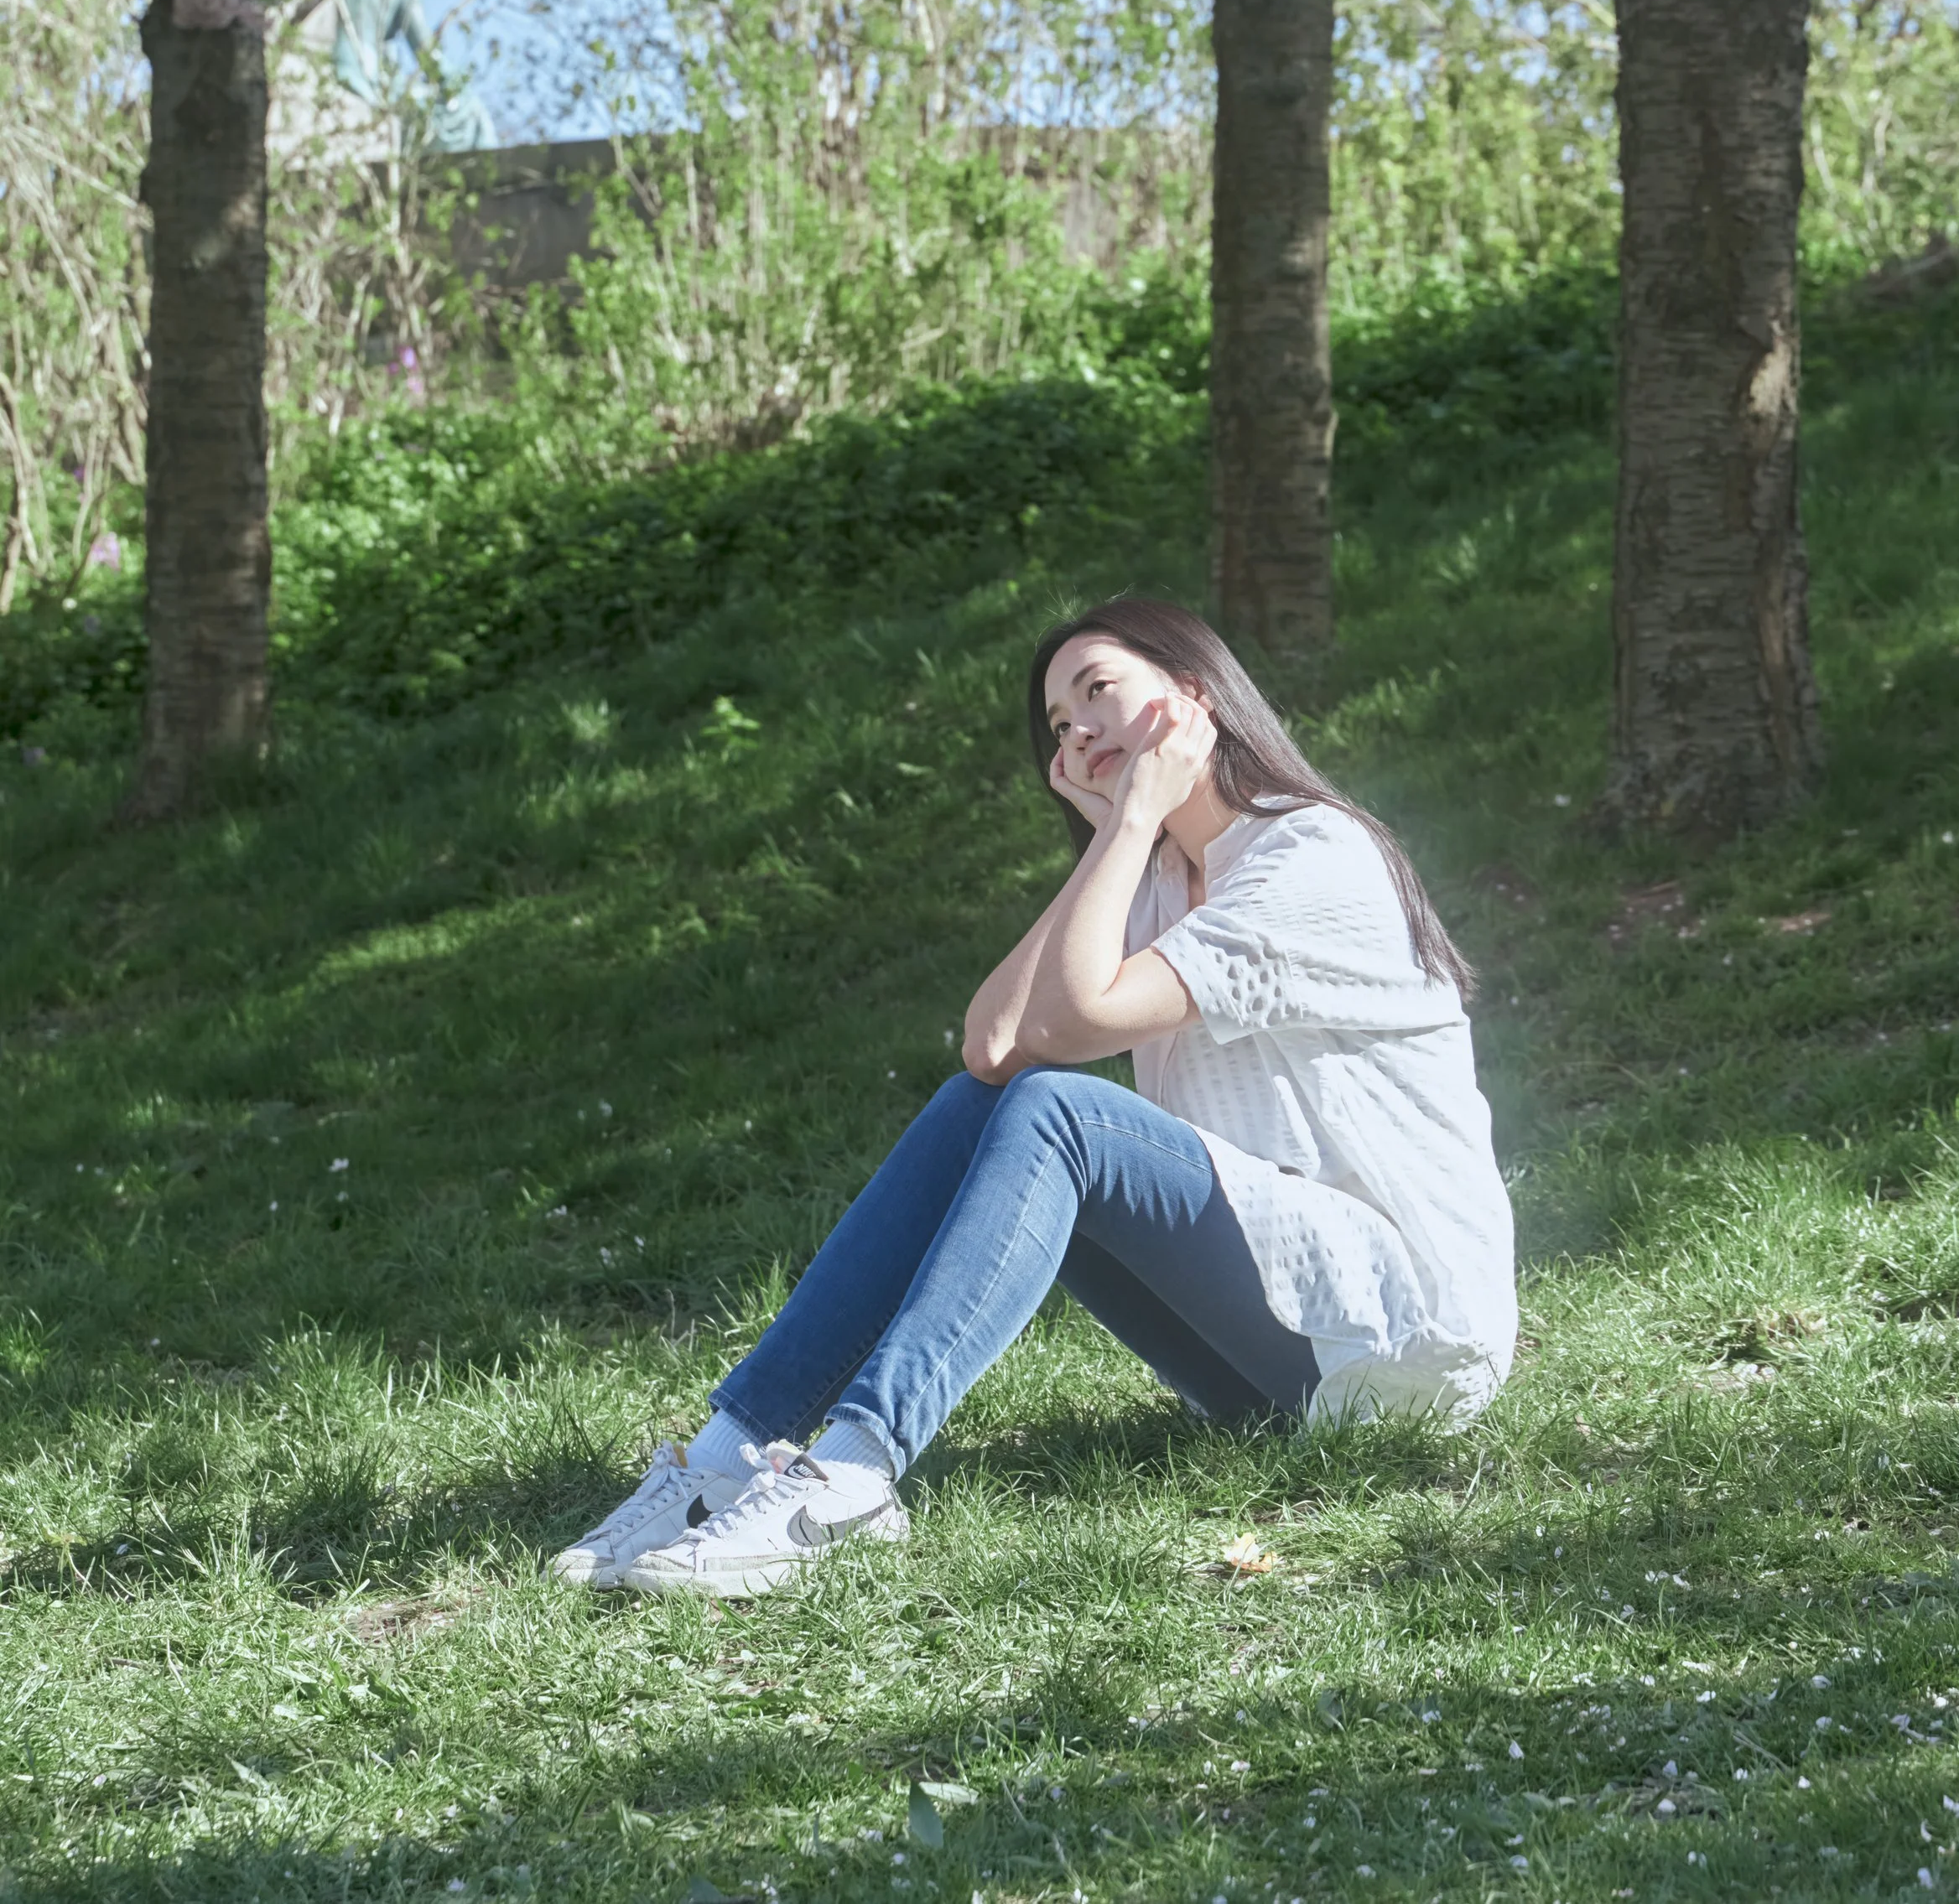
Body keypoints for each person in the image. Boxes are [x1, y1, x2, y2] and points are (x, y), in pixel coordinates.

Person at [554, 596, 1516, 1600]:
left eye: (1099, 691)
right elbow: (993, 1047)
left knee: (1062, 1114)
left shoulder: (1311, 856)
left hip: (1406, 1342)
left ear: (1194, 699)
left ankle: (850, 1476)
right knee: (993, 1107)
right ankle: (724, 1454)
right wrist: (1126, 842)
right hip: (1278, 1366)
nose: (1077, 731)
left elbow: (1063, 1035)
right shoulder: (1158, 879)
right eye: (1059, 723)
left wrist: (1138, 816)